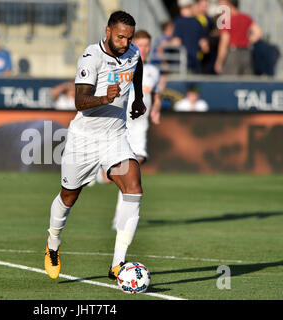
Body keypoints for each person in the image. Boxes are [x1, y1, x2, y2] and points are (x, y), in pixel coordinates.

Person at [43, 11, 147, 281]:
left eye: (129, 37)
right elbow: (79, 101)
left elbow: (137, 68)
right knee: (69, 196)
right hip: (84, 139)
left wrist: (138, 99)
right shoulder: (92, 56)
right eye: (120, 36)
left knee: (133, 188)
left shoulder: (133, 53)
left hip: (115, 137)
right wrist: (104, 98)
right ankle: (53, 242)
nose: (125, 43)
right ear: (108, 31)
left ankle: (118, 265)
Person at [110, 29, 162, 230]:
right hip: (120, 127)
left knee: (130, 173)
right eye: (141, 45)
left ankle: (120, 219)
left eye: (148, 46)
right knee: (115, 176)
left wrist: (156, 110)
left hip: (140, 129)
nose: (145, 50)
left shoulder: (153, 72)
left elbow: (155, 96)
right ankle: (98, 174)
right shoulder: (121, 67)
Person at [214, 0, 263, 75]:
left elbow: (224, 41)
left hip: (232, 54)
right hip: (246, 53)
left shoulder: (226, 20)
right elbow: (258, 32)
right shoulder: (246, 17)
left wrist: (219, 62)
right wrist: (247, 41)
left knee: (229, 82)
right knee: (246, 82)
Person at [171, 0, 210, 74]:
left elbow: (176, 42)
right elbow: (205, 47)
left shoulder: (178, 22)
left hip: (180, 64)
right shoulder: (198, 22)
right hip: (195, 63)